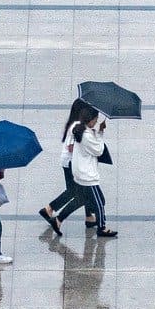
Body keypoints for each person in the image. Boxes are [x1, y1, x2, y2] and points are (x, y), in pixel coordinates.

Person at [38, 99, 100, 235]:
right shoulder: (77, 126)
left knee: (79, 191)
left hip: (70, 162)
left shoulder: (78, 124)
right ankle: (50, 210)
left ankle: (89, 217)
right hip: (72, 164)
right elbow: (71, 147)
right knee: (79, 193)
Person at [70, 112, 118, 238]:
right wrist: (101, 134)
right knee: (99, 202)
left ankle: (91, 220)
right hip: (87, 175)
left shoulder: (83, 131)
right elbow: (99, 150)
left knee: (95, 200)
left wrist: (99, 130)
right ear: (89, 120)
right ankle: (101, 227)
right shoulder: (86, 135)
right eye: (95, 120)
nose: (96, 122)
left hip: (81, 172)